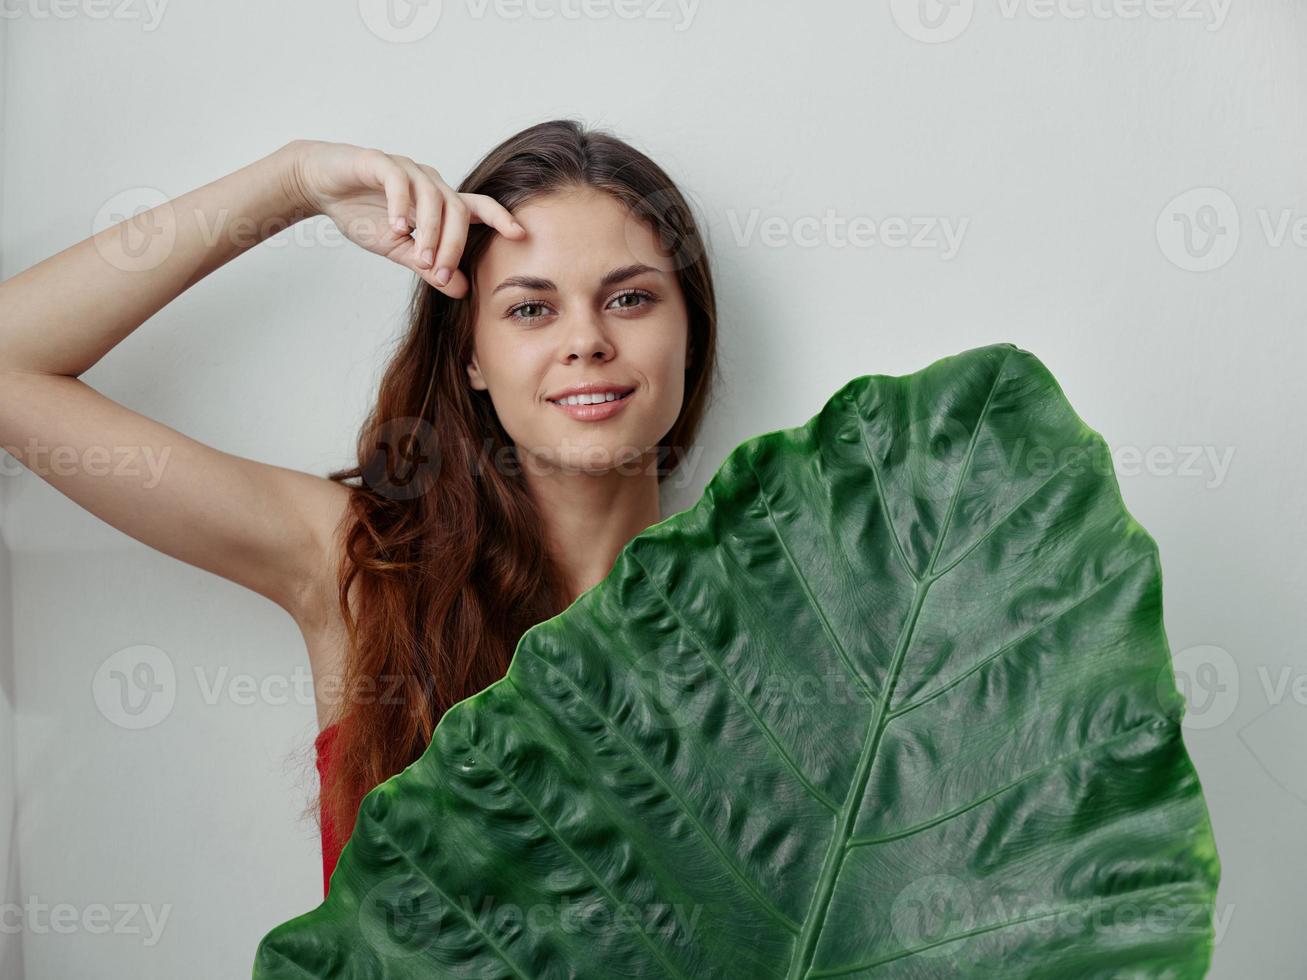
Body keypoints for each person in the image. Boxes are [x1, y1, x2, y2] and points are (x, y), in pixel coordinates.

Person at [0, 119, 719, 897]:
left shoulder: (779, 613)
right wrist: (294, 181)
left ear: (689, 333)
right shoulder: (362, 568)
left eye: (629, 297)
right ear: (470, 355)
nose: (585, 340)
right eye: (529, 309)